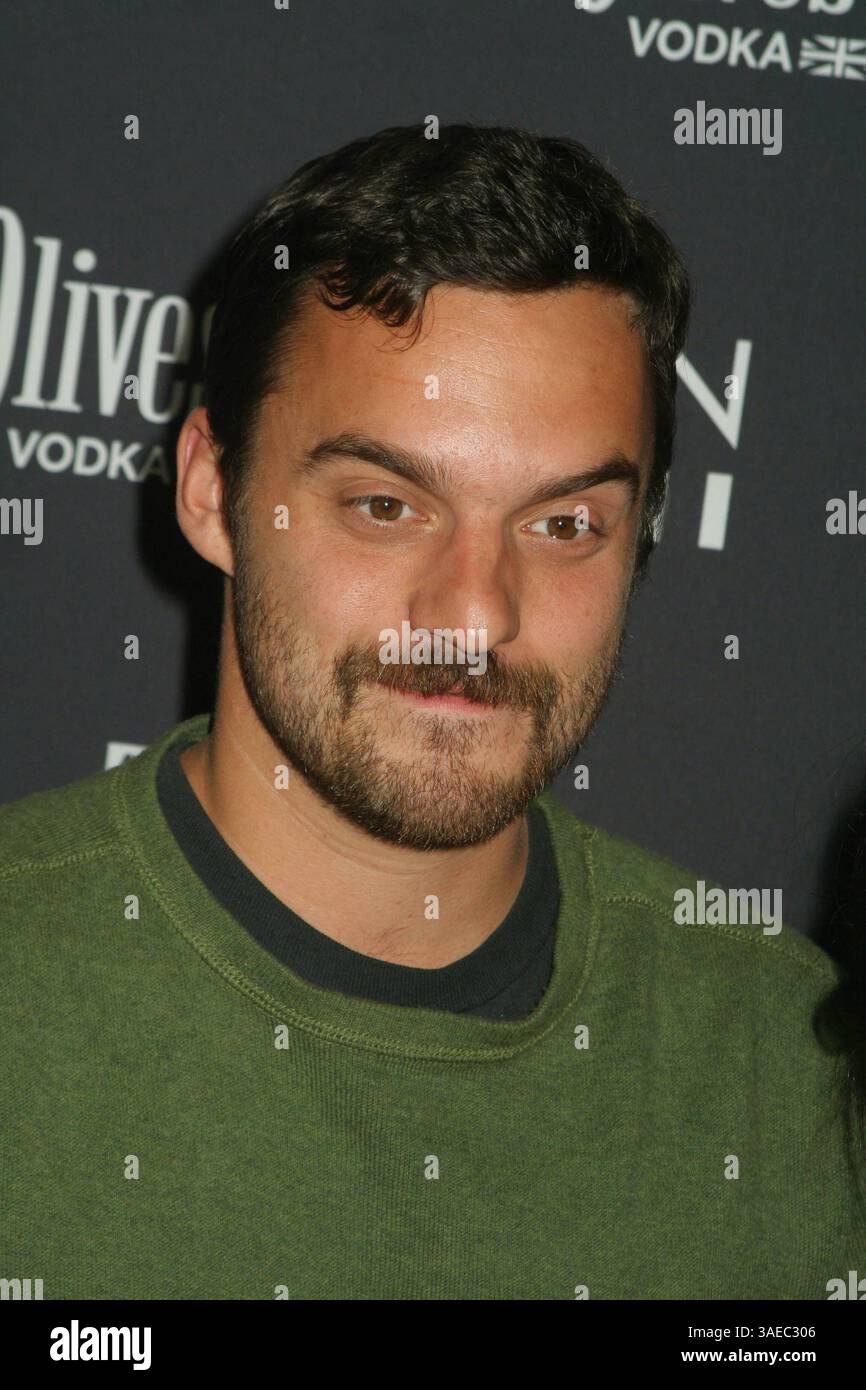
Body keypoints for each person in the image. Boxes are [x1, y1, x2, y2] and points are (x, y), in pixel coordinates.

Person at [1, 124, 863, 1300]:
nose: (472, 613)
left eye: (562, 524)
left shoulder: (784, 1057)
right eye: (384, 505)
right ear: (210, 490)